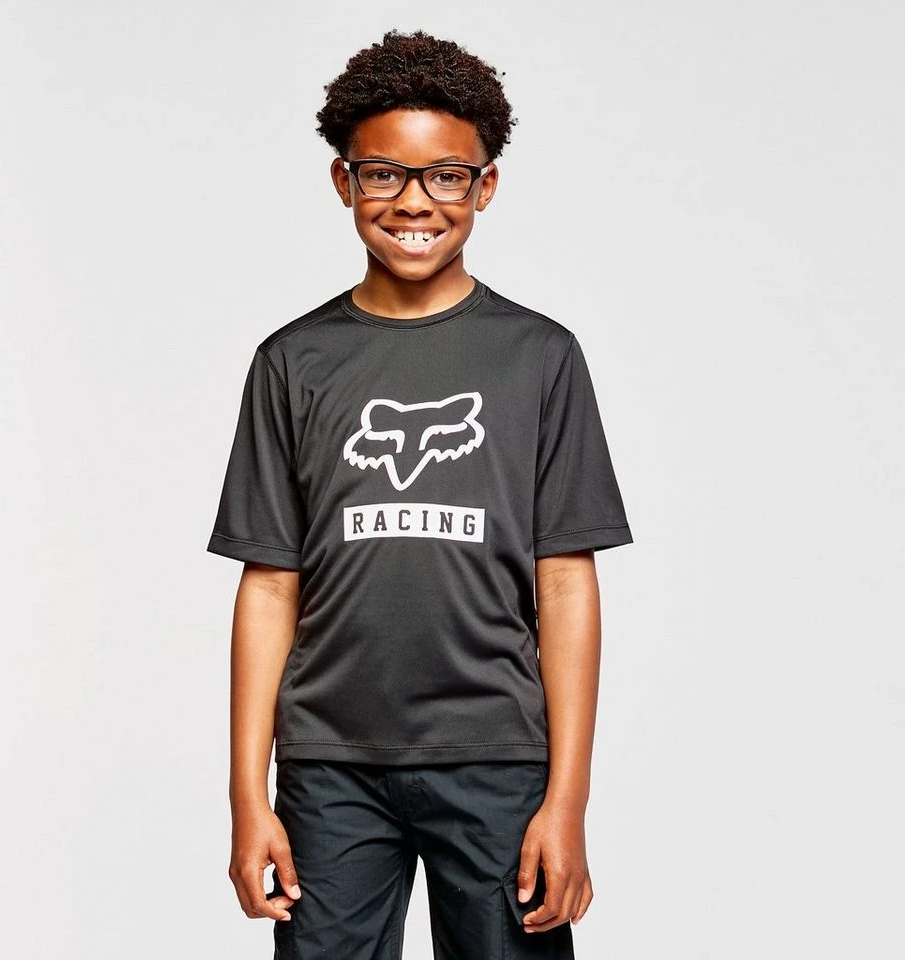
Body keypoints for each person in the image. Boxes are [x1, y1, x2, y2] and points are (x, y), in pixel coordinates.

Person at [206, 28, 634, 960]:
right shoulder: (293, 363)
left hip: (497, 760)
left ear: (485, 187)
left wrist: (567, 800)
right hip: (329, 767)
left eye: (446, 176)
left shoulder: (539, 358)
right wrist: (248, 796)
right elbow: (270, 584)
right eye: (383, 174)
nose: (413, 201)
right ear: (343, 181)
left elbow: (566, 582)